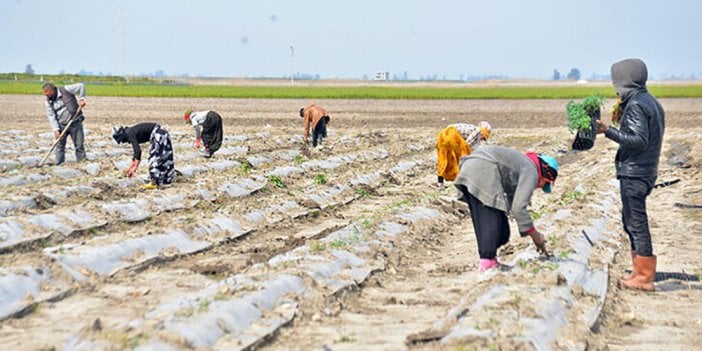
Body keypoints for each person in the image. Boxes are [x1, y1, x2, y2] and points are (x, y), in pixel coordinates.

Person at [595, 58, 665, 292]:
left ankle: (644, 277)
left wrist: (608, 131)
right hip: (645, 169)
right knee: (631, 221)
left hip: (636, 172)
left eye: (617, 80)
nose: (615, 86)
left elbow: (638, 140)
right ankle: (639, 269)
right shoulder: (649, 101)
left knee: (636, 222)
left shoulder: (636, 104)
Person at [453, 145, 557, 272]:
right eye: (544, 184)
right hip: (484, 169)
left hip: (469, 166)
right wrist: (536, 236)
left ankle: (489, 260)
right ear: (545, 172)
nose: (539, 187)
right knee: (490, 220)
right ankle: (487, 264)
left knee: (502, 231)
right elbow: (519, 208)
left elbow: (512, 202)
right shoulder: (532, 171)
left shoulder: (521, 162)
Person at [111, 123, 175, 189]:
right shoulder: (130, 131)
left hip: (158, 134)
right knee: (164, 157)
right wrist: (130, 168)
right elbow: (135, 155)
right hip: (163, 133)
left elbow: (137, 151)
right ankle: (166, 179)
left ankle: (154, 182)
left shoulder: (129, 134)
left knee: (154, 158)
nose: (123, 142)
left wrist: (134, 168)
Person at [42, 82, 87, 165]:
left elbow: (81, 86)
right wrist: (56, 129)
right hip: (61, 125)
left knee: (79, 145)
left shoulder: (66, 89)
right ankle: (59, 164)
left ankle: (82, 163)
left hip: (75, 122)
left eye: (46, 92)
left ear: (52, 91)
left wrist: (81, 99)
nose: (45, 95)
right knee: (59, 146)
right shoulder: (48, 102)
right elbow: (51, 116)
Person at [437, 121, 491, 187]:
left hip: (443, 135)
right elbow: (467, 145)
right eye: (484, 137)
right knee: (459, 159)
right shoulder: (478, 131)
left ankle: (440, 183)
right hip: (452, 135)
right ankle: (461, 181)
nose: (482, 139)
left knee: (444, 158)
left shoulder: (473, 129)